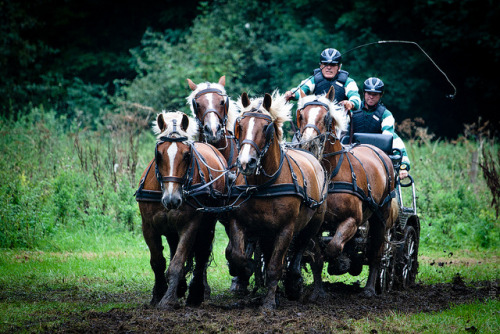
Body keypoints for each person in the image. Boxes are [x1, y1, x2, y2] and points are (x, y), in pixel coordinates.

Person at [350, 77, 411, 179]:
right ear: (364, 93)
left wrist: (403, 167)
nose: (371, 97)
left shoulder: (386, 115)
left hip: (377, 155)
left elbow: (391, 139)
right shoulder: (351, 110)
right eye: (369, 93)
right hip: (352, 152)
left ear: (380, 95)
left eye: (375, 94)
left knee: (394, 137)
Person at [285, 48, 361, 119]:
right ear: (320, 65)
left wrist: (351, 103)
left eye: (333, 65)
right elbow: (302, 89)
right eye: (325, 64)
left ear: (339, 67)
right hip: (317, 122)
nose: (328, 67)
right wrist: (293, 94)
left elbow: (356, 99)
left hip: (341, 124)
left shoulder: (348, 82)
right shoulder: (313, 79)